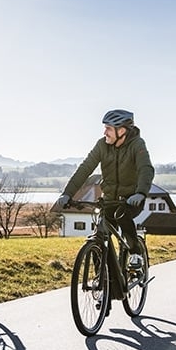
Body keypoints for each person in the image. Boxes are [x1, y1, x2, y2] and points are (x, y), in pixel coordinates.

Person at [53, 109, 154, 268]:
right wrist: (67, 193)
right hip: (109, 200)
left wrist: (141, 193)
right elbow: (84, 169)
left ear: (121, 131)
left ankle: (135, 252)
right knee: (99, 234)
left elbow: (145, 169)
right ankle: (104, 279)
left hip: (131, 200)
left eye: (108, 128)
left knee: (121, 216)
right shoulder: (102, 145)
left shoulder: (137, 145)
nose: (104, 132)